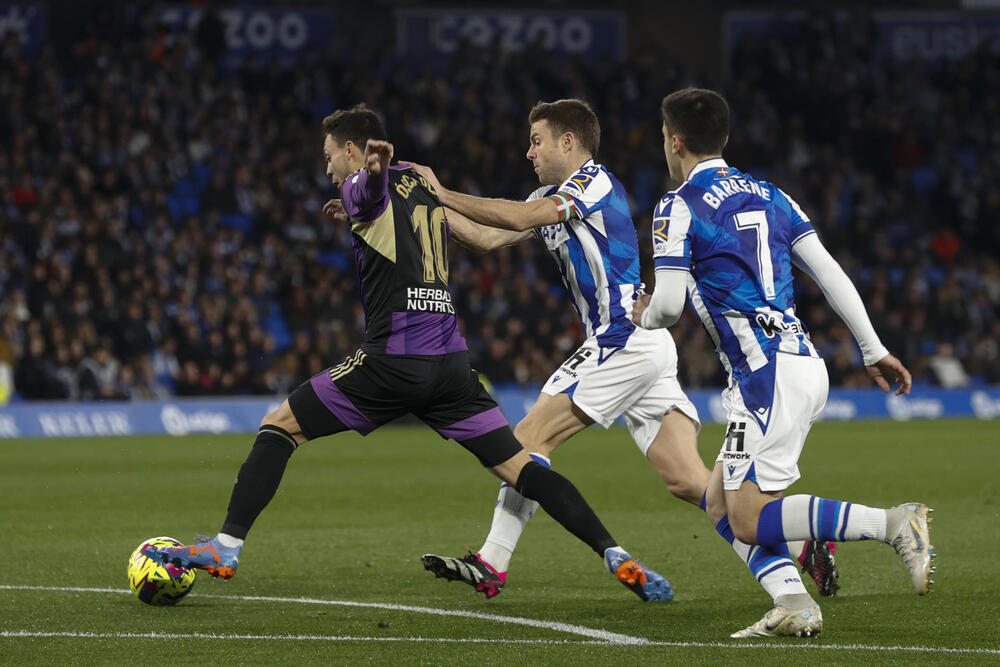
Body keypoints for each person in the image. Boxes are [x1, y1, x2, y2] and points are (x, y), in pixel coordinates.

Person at [142, 104, 666, 600]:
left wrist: (369, 175)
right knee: (522, 468)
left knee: (280, 425)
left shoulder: (364, 182)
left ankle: (226, 546)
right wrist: (369, 193)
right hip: (453, 368)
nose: (328, 170)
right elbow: (467, 234)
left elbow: (370, 193)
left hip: (393, 360)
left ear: (351, 150)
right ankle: (611, 550)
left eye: (329, 157)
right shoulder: (419, 187)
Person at [407, 99, 837, 603]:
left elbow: (524, 216)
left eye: (537, 141)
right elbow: (483, 236)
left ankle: (492, 562)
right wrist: (421, 205)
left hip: (623, 338)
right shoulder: (547, 195)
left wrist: (441, 190)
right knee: (689, 481)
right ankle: (796, 545)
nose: (529, 152)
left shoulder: (594, 183)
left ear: (569, 142)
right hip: (644, 348)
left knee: (524, 440)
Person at [632, 87, 934, 638]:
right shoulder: (773, 195)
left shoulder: (678, 205)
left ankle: (892, 523)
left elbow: (669, 306)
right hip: (795, 363)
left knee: (747, 518)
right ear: (723, 137)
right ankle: (794, 602)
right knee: (720, 504)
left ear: (674, 140)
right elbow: (829, 271)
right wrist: (873, 348)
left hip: (766, 376)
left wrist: (643, 314)